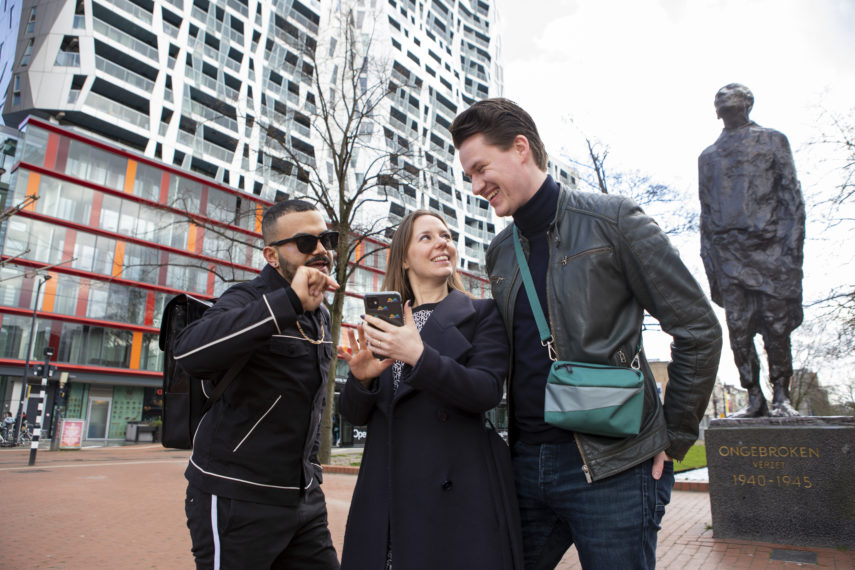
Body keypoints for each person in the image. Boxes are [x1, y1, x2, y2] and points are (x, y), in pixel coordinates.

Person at [450, 98, 722, 569]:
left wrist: (674, 436)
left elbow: (698, 328)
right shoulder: (499, 253)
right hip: (524, 466)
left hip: (615, 467)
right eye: (469, 177)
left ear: (520, 148)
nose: (475, 186)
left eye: (480, 169)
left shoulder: (613, 222)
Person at [337, 210, 522, 569]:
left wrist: (419, 356)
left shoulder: (482, 314)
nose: (443, 243)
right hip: (386, 497)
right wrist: (361, 379)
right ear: (403, 258)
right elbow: (355, 415)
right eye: (427, 237)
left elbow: (485, 391)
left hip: (454, 500)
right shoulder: (385, 324)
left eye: (447, 236)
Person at [173, 199, 341, 569]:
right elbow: (188, 351)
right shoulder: (247, 298)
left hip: (304, 500)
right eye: (305, 242)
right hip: (237, 499)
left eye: (327, 239)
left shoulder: (322, 315)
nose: (322, 251)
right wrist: (287, 302)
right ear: (271, 254)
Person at [698, 83, 805, 418]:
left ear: (747, 105)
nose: (725, 106)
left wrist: (792, 250)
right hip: (728, 254)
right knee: (739, 330)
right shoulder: (709, 156)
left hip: (771, 250)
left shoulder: (773, 141)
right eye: (721, 103)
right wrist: (710, 262)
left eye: (731, 102)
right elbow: (706, 213)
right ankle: (754, 395)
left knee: (776, 326)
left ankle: (781, 396)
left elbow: (792, 198)